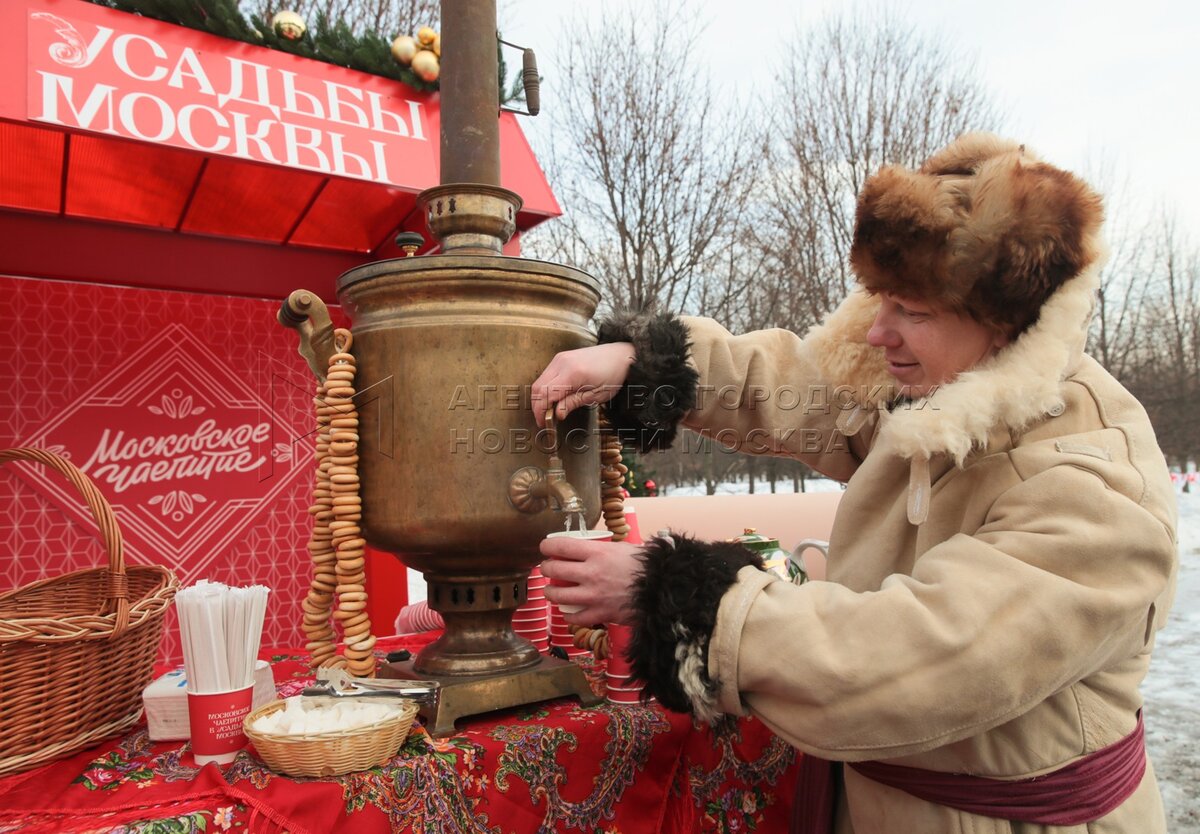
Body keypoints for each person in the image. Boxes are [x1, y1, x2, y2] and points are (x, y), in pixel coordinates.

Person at [531, 133, 1177, 834]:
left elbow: (920, 663)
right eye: (881, 299)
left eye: (914, 313)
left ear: (1006, 325)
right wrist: (643, 366)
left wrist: (682, 600)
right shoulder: (942, 395)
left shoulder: (1094, 482)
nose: (878, 333)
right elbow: (808, 395)